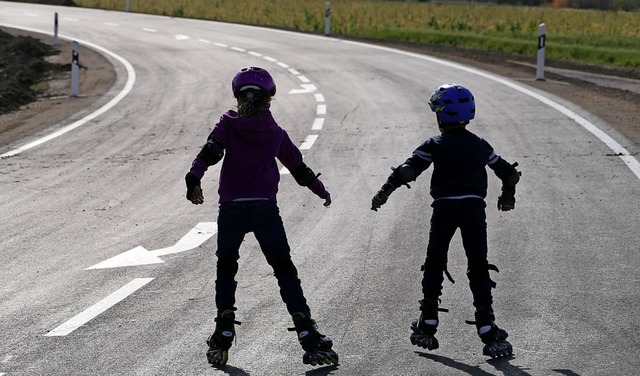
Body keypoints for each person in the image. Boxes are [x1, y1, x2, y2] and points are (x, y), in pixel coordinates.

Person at [185, 67, 338, 367]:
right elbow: (299, 169)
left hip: (231, 210)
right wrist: (321, 191)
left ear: (237, 97)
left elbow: (210, 153)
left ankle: (223, 333)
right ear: (269, 99)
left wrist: (193, 179)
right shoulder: (275, 132)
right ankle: (308, 335)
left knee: (226, 270)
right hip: (265, 209)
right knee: (284, 271)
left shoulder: (227, 125)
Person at [370, 83, 520, 358]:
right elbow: (509, 174)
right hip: (474, 209)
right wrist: (506, 196)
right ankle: (487, 328)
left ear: (440, 116)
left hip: (444, 209)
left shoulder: (435, 144)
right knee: (478, 265)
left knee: (435, 261)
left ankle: (428, 321)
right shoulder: (479, 144)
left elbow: (407, 170)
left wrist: (384, 192)